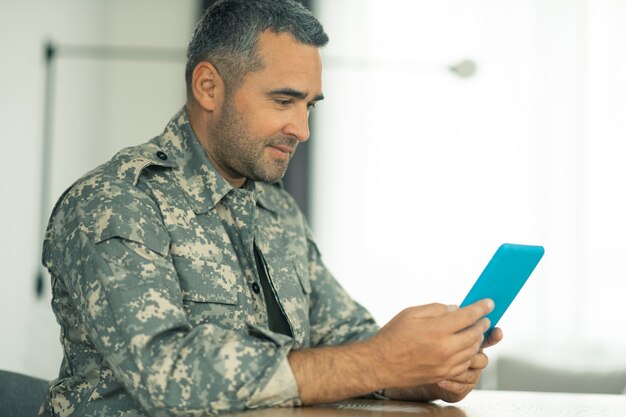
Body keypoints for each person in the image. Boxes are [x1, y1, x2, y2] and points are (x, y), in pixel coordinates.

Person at [41, 0, 502, 416]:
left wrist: (414, 374)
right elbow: (167, 377)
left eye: (309, 106)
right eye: (284, 100)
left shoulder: (277, 212)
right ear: (208, 87)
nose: (302, 129)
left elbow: (343, 340)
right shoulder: (117, 201)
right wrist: (382, 360)